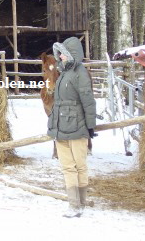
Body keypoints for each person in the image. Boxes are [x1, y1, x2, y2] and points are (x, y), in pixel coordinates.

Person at [47, 37, 96, 218]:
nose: (60, 56)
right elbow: (58, 103)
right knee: (67, 167)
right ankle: (73, 205)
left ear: (72, 54)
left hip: (77, 126)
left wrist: (90, 126)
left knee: (80, 166)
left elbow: (88, 101)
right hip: (61, 127)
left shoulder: (79, 72)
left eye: (63, 53)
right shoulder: (63, 73)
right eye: (59, 53)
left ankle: (81, 204)